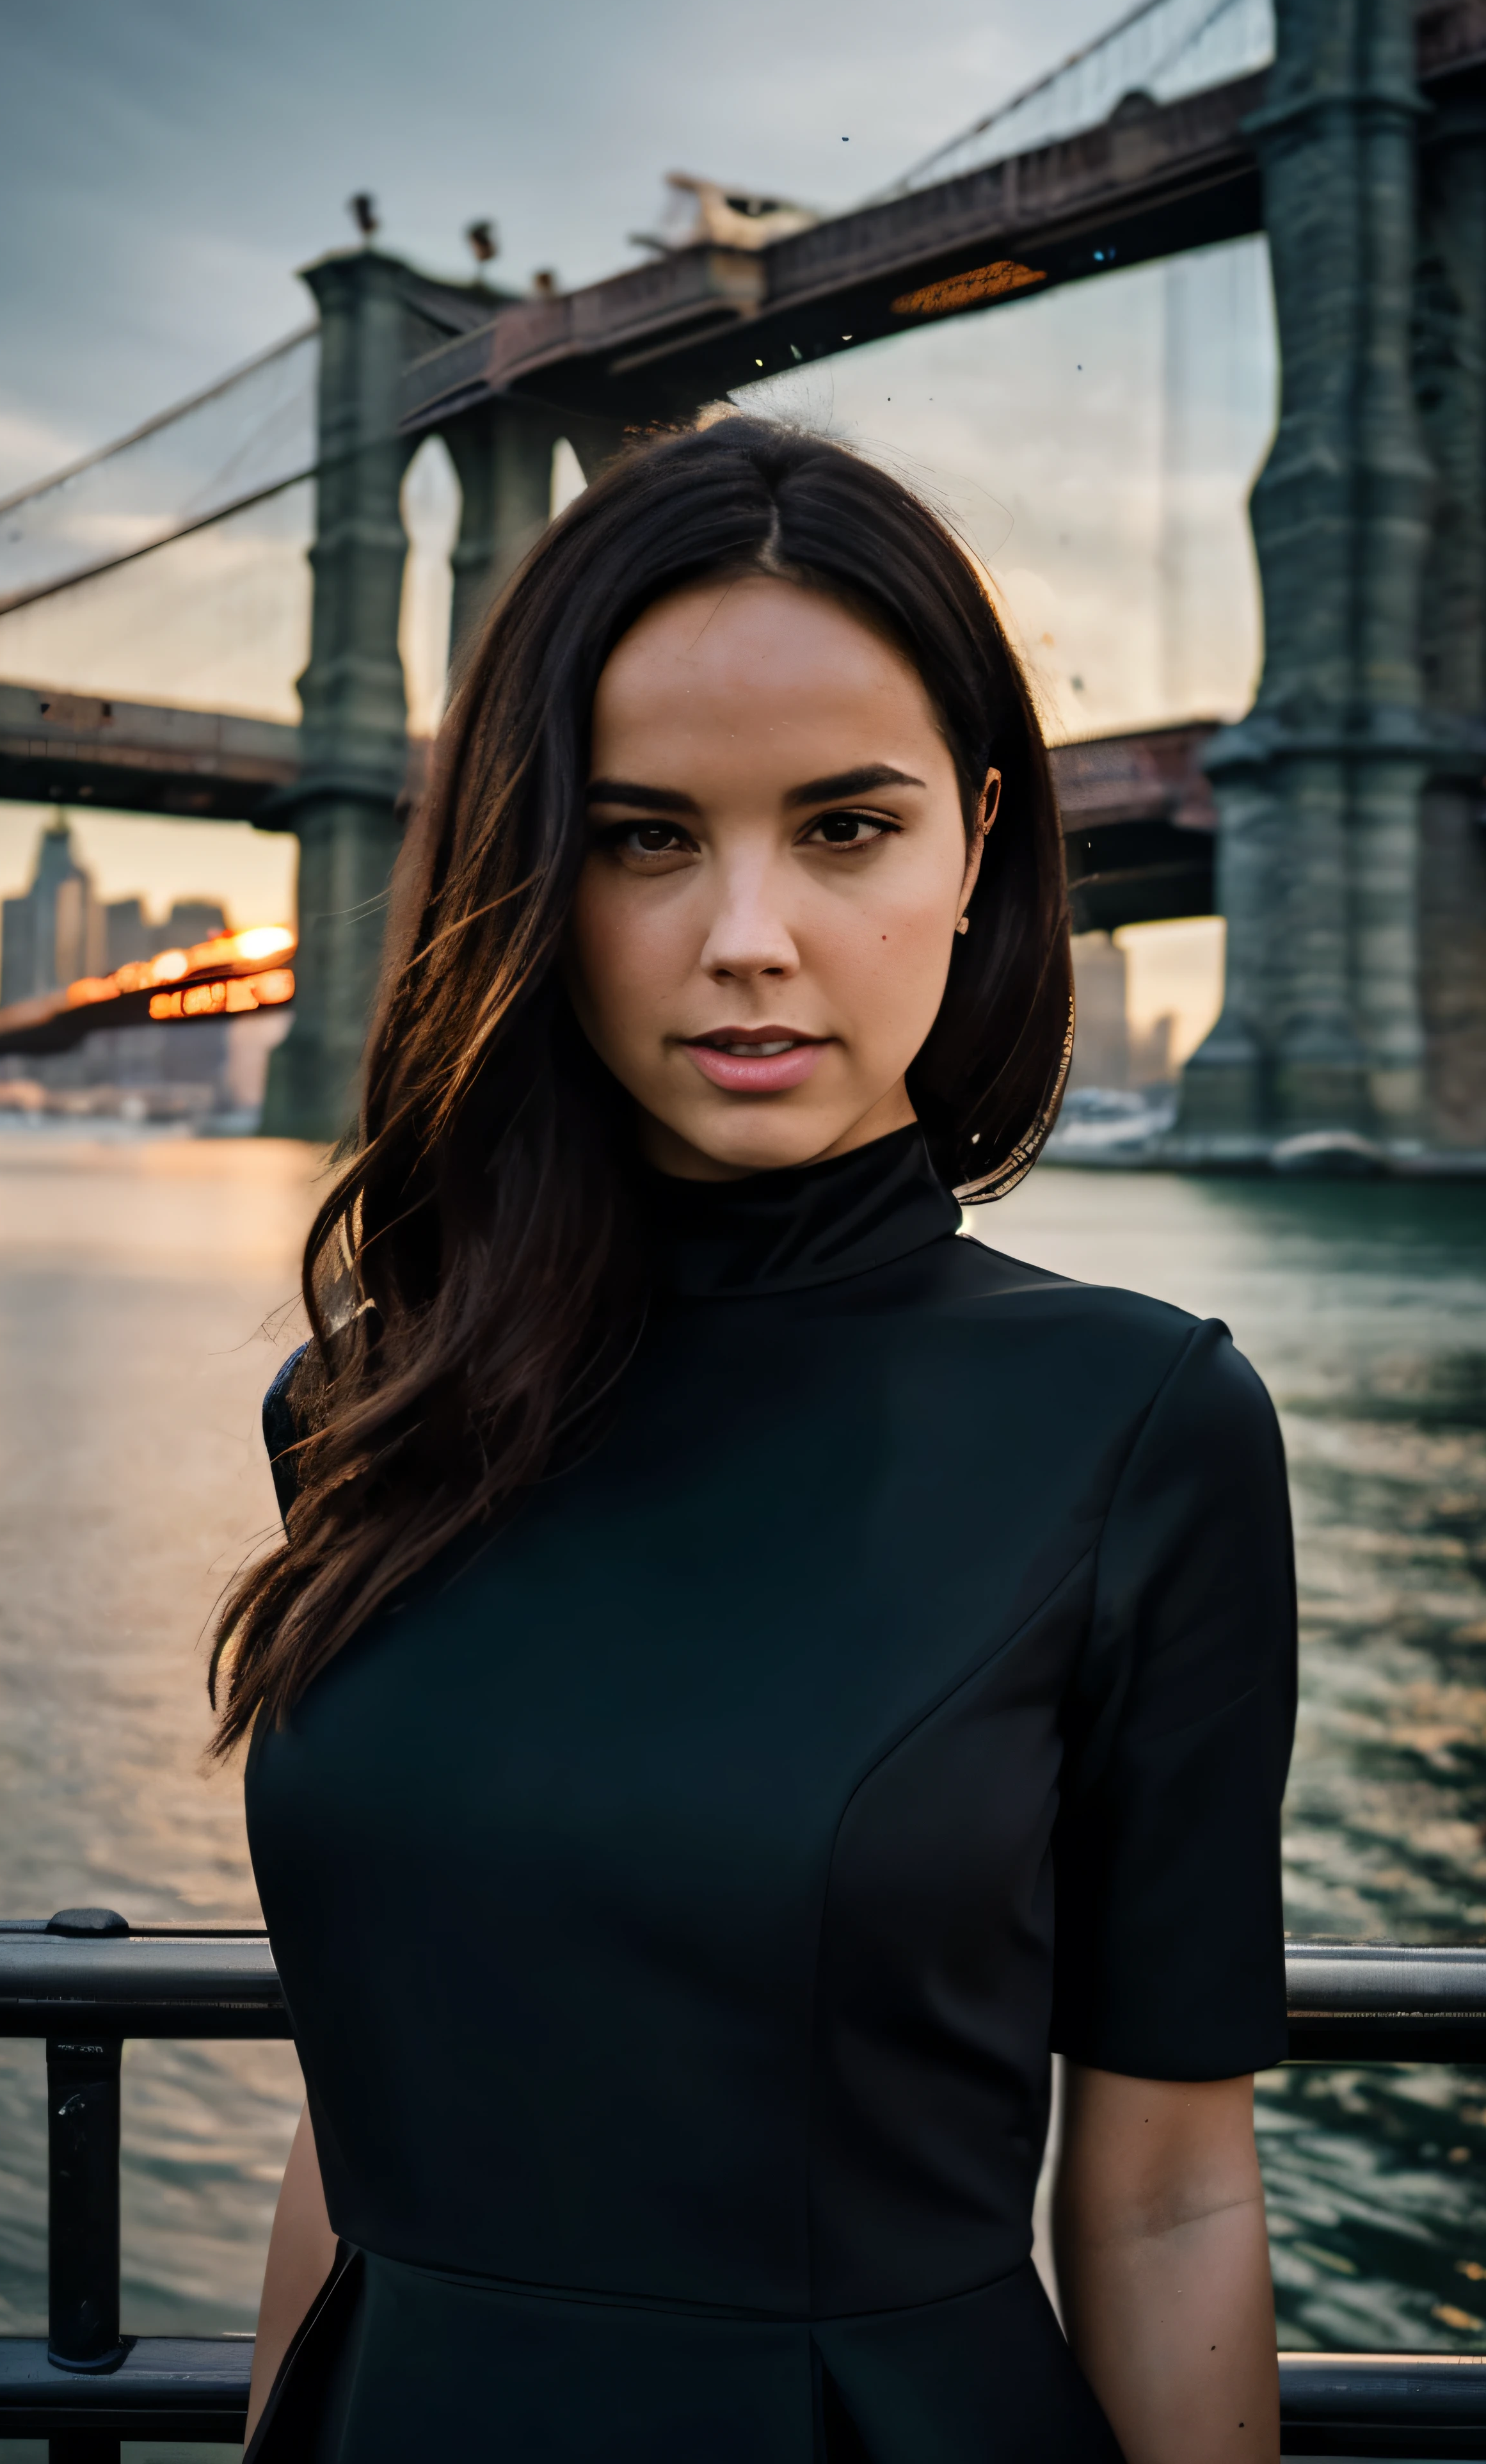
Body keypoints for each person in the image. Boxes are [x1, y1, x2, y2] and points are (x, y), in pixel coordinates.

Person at [213, 417, 1297, 2464]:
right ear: (533, 867)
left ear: (976, 845)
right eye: (641, 838)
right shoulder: (364, 1414)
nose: (748, 937)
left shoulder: (1147, 1429)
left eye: (847, 829)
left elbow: (1167, 2196)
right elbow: (353, 2137)